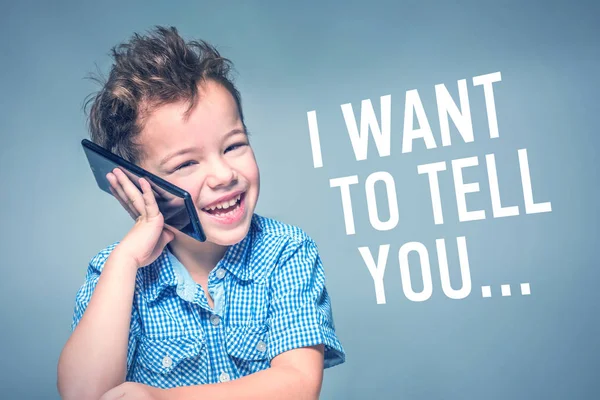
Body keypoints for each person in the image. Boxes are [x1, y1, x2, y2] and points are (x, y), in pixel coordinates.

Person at [57, 26, 345, 400]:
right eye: (186, 164)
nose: (225, 175)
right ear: (137, 183)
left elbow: (298, 384)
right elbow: (83, 394)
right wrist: (126, 260)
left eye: (233, 146)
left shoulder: (287, 252)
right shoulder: (114, 272)